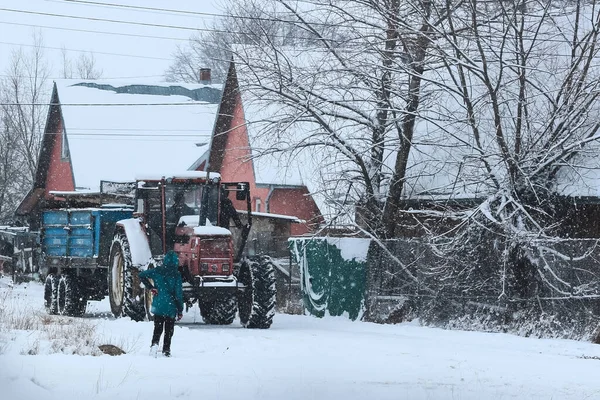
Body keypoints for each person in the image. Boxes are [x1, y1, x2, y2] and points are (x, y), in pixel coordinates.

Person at [138, 250, 184, 357]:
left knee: (157, 328)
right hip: (170, 307)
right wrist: (180, 309)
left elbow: (141, 275)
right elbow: (178, 294)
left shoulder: (157, 270)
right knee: (169, 329)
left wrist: (151, 287)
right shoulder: (176, 275)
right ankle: (166, 350)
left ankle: (154, 346)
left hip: (158, 305)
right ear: (176, 261)